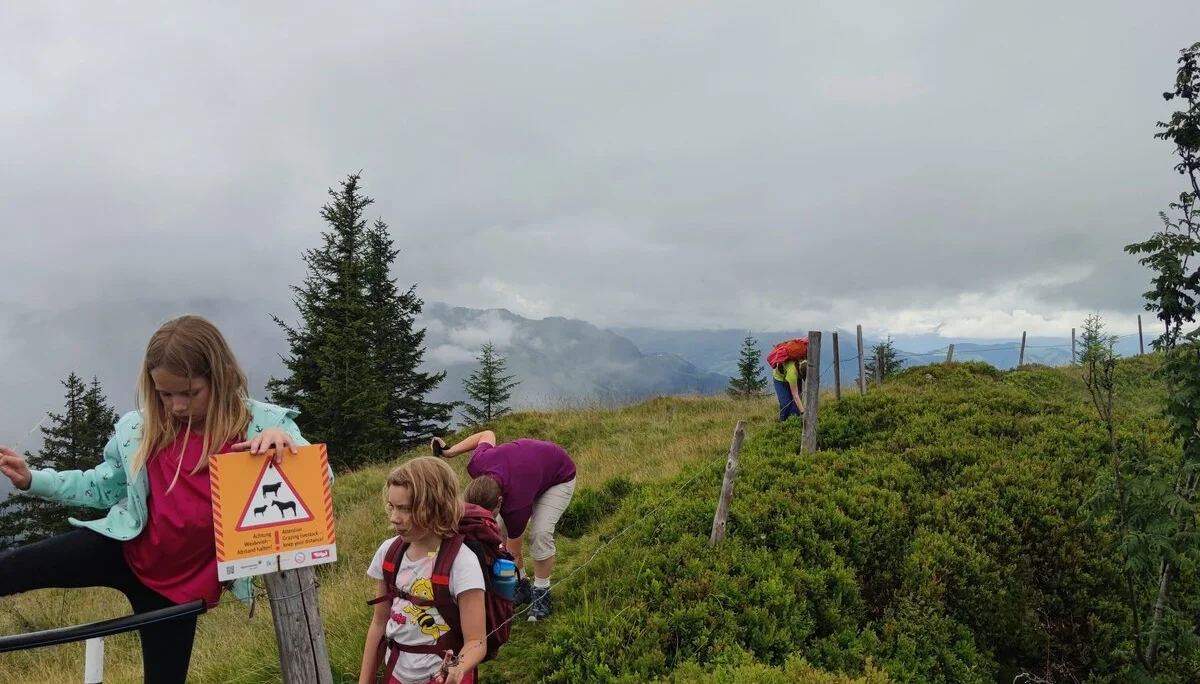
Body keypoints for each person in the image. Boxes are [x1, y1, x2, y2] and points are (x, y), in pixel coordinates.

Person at [0, 314, 319, 684]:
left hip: (182, 591)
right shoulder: (143, 429)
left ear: (222, 377)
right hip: (125, 548)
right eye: (165, 394)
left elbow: (319, 484)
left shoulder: (261, 426)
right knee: (14, 567)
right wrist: (33, 479)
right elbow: (102, 486)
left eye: (189, 393)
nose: (177, 405)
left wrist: (286, 447)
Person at [360, 456, 486, 684]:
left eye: (405, 509)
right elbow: (379, 623)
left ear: (435, 507)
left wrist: (458, 667)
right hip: (396, 674)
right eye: (392, 507)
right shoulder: (389, 553)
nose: (394, 518)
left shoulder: (462, 563)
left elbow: (476, 641)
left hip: (442, 678)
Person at [435, 430, 576, 621]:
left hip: (558, 475)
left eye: (488, 514)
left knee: (539, 535)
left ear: (500, 501)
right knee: (499, 533)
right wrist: (449, 452)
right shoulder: (477, 463)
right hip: (530, 470)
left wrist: (499, 581)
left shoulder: (516, 505)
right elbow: (487, 434)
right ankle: (521, 585)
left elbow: (511, 553)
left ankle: (542, 593)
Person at [771, 355, 806, 421]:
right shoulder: (792, 372)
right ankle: (783, 422)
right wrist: (803, 412)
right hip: (780, 379)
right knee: (785, 404)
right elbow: (795, 395)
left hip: (795, 376)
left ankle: (793, 421)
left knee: (795, 407)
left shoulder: (806, 363)